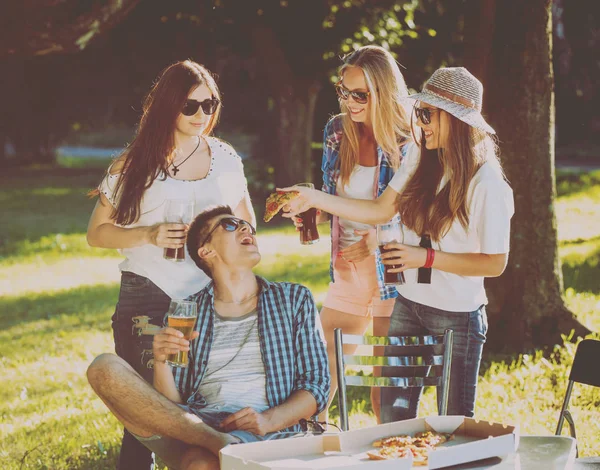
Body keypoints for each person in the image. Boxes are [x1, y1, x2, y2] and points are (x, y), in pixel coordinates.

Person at [281, 67, 514, 421]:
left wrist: (425, 257)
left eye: (426, 114)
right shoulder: (422, 157)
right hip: (409, 306)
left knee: (453, 423)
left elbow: (494, 263)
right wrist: (314, 198)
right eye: (418, 112)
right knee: (393, 418)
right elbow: (379, 210)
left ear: (456, 120)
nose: (419, 124)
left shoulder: (487, 182)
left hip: (457, 317)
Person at [86, 60, 255, 469]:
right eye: (190, 106)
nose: (202, 115)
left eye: (210, 104)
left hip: (210, 302)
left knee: (197, 407)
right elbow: (97, 233)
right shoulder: (135, 163)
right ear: (167, 106)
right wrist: (147, 234)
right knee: (145, 414)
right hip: (149, 297)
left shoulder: (226, 158)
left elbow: (246, 221)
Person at [87, 205, 330, 470]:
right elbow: (173, 408)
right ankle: (219, 443)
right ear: (207, 251)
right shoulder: (186, 313)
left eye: (246, 225)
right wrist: (161, 362)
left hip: (280, 432)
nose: (246, 228)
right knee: (104, 368)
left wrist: (269, 420)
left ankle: (224, 447)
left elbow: (316, 386)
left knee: (201, 464)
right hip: (205, 430)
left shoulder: (293, 299)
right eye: (230, 225)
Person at [291, 45, 411, 423]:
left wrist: (377, 239)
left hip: (393, 270)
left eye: (360, 94)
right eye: (343, 91)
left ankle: (394, 459)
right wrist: (312, 210)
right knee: (317, 379)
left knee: (385, 391)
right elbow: (335, 202)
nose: (349, 101)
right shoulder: (337, 132)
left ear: (384, 92)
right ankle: (314, 452)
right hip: (348, 268)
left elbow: (420, 214)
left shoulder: (409, 139)